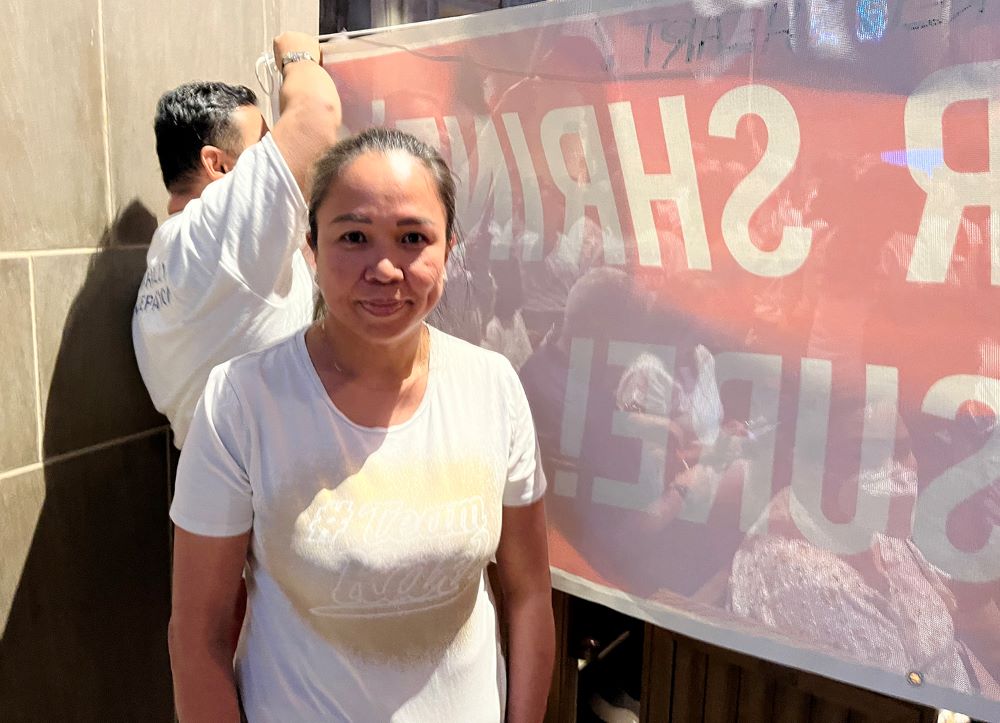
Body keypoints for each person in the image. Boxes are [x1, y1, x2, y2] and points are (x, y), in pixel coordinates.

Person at [167, 127, 555, 722]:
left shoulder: (493, 386)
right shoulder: (243, 402)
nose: (384, 268)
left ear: (448, 249)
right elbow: (199, 634)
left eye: (411, 238)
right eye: (353, 236)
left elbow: (528, 594)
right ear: (312, 249)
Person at [132, 31, 342, 449]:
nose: (275, 153)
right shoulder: (215, 234)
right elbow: (316, 115)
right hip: (262, 493)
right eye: (263, 144)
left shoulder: (175, 253)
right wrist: (297, 55)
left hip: (221, 489)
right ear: (218, 164)